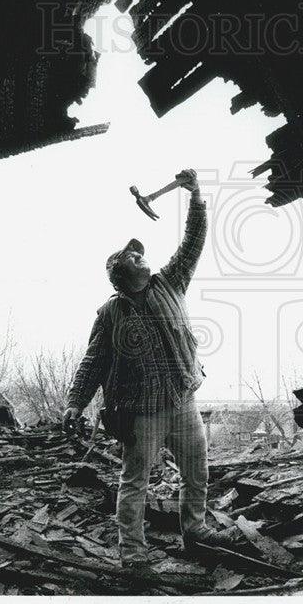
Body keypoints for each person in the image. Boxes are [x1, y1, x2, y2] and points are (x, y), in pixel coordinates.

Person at [62, 168, 237, 573]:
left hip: (182, 399)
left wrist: (195, 196)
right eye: (132, 256)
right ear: (120, 275)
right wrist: (75, 403)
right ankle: (134, 554)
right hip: (142, 412)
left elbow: (193, 242)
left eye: (140, 253)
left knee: (198, 470)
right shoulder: (110, 313)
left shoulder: (170, 283)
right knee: (135, 481)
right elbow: (93, 362)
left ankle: (195, 530)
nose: (142, 256)